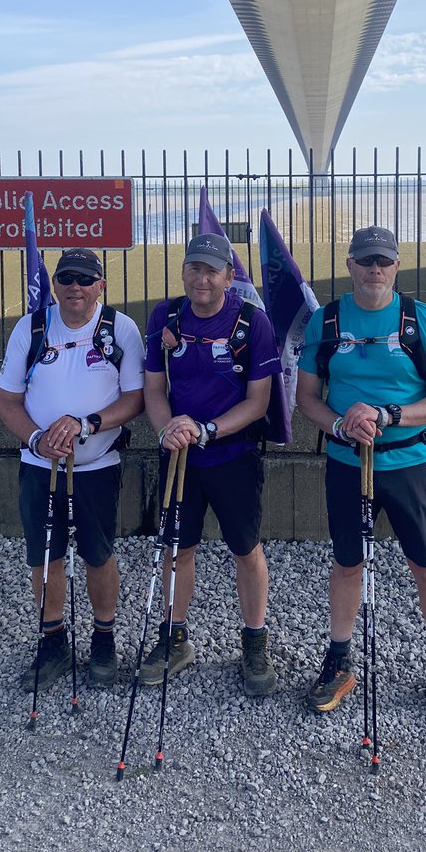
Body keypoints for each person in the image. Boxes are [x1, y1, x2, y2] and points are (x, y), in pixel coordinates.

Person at [296, 225, 426, 727]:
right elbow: (306, 395)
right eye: (366, 260)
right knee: (347, 562)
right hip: (347, 462)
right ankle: (339, 661)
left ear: (397, 267)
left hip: (408, 463)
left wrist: (388, 414)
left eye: (384, 261)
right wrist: (340, 423)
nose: (375, 269)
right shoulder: (326, 322)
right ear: (350, 265)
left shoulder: (421, 321)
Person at [0, 247, 145, 691]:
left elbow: (135, 399)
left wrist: (86, 424)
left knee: (98, 553)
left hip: (97, 463)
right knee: (46, 556)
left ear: (101, 284)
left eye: (85, 278)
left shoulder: (121, 328)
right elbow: (7, 401)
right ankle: (52, 642)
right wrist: (39, 439)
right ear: (55, 284)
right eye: (66, 278)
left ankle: (103, 639)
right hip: (40, 464)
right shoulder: (32, 327)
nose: (75, 287)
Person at [141, 232, 282, 696]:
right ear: (183, 272)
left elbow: (259, 402)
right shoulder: (165, 316)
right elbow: (154, 390)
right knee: (177, 549)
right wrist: (168, 430)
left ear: (229, 276)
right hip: (178, 453)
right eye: (194, 269)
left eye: (212, 271)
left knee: (246, 549)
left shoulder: (251, 322)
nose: (202, 278)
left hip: (231, 454)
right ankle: (175, 638)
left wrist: (207, 430)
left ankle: (254, 642)